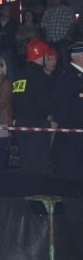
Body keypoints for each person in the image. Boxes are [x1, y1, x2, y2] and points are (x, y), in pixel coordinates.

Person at [11, 40, 56, 173]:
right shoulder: (41, 77)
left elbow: (15, 100)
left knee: (26, 162)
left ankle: (26, 191)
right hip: (38, 126)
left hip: (21, 124)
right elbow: (45, 103)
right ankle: (37, 192)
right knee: (39, 164)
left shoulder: (19, 75)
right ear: (42, 56)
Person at [52, 41, 83, 177]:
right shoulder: (68, 77)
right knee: (70, 173)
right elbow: (62, 107)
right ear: (79, 57)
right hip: (72, 136)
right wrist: (68, 131)